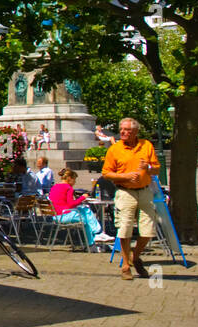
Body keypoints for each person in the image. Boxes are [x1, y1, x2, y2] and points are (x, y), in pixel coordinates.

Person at [101, 117, 160, 280]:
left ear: (135, 132)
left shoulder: (146, 145)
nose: (123, 132)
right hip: (125, 192)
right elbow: (106, 173)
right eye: (121, 129)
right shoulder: (114, 149)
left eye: (127, 130)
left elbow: (156, 169)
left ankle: (136, 255)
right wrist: (126, 176)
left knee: (148, 230)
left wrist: (147, 168)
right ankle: (126, 265)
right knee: (125, 229)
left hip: (145, 191)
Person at [49, 168, 112, 246]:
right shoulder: (68, 188)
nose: (75, 182)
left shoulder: (54, 187)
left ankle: (93, 241)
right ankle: (97, 233)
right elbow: (71, 204)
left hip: (56, 215)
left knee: (84, 211)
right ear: (70, 178)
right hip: (65, 215)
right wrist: (83, 197)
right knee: (86, 213)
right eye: (74, 180)